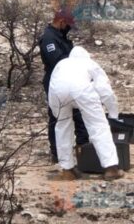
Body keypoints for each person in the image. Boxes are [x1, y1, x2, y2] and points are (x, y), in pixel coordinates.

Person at [49, 46, 123, 181]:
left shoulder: (61, 64)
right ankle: (111, 168)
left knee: (62, 128)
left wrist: (57, 114)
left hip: (58, 92)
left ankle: (67, 170)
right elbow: (105, 91)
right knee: (98, 126)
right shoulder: (90, 64)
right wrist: (113, 114)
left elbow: (52, 86)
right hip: (81, 90)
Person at [39, 9, 88, 163]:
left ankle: (83, 149)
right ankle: (56, 153)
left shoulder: (61, 36)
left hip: (71, 81)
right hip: (56, 83)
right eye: (67, 25)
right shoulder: (49, 39)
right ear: (61, 22)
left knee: (79, 114)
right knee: (57, 116)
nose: (69, 29)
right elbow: (57, 61)